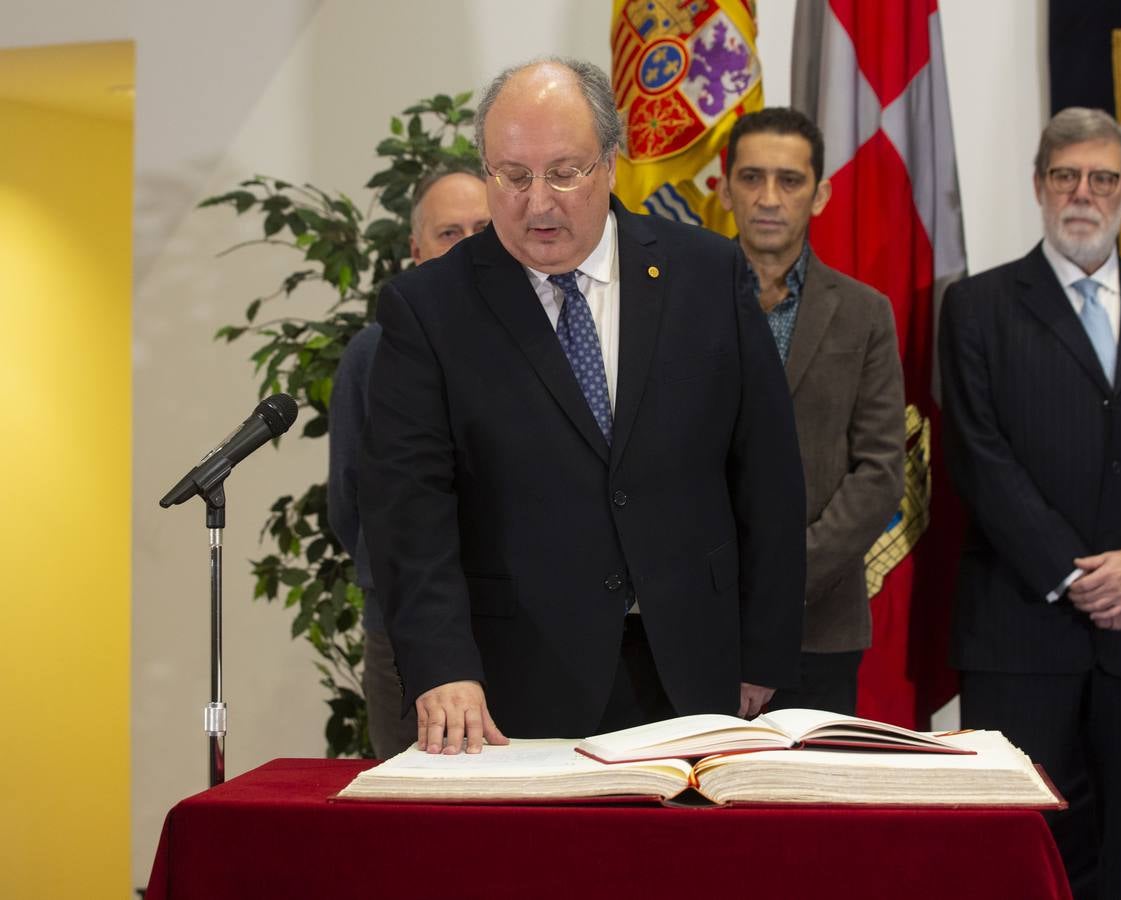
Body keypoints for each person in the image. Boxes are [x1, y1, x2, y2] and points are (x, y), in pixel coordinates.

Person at [358, 57, 805, 754]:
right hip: (513, 685)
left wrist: (764, 648)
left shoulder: (706, 274)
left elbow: (767, 474)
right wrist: (443, 667)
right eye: (512, 176)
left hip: (691, 668)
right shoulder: (429, 310)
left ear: (612, 165)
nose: (538, 202)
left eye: (564, 172)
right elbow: (408, 510)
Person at [938, 106, 1121, 900]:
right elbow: (979, 459)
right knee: (1009, 847)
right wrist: (1077, 578)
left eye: (1103, 179)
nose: (1083, 194)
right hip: (1019, 627)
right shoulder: (976, 307)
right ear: (1039, 187)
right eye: (1065, 176)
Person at [718, 108, 904, 715]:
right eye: (751, 178)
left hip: (820, 625)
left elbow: (880, 472)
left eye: (790, 180)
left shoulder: (864, 313)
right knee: (692, 802)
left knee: (807, 804)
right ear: (723, 188)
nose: (769, 198)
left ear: (820, 193)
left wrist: (783, 577)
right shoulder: (676, 300)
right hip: (699, 617)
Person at [328, 165, 489, 759]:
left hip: (521, 626)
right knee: (411, 822)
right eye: (450, 233)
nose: (467, 247)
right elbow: (350, 503)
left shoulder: (544, 342)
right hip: (402, 635)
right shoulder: (373, 354)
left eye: (482, 229)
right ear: (416, 249)